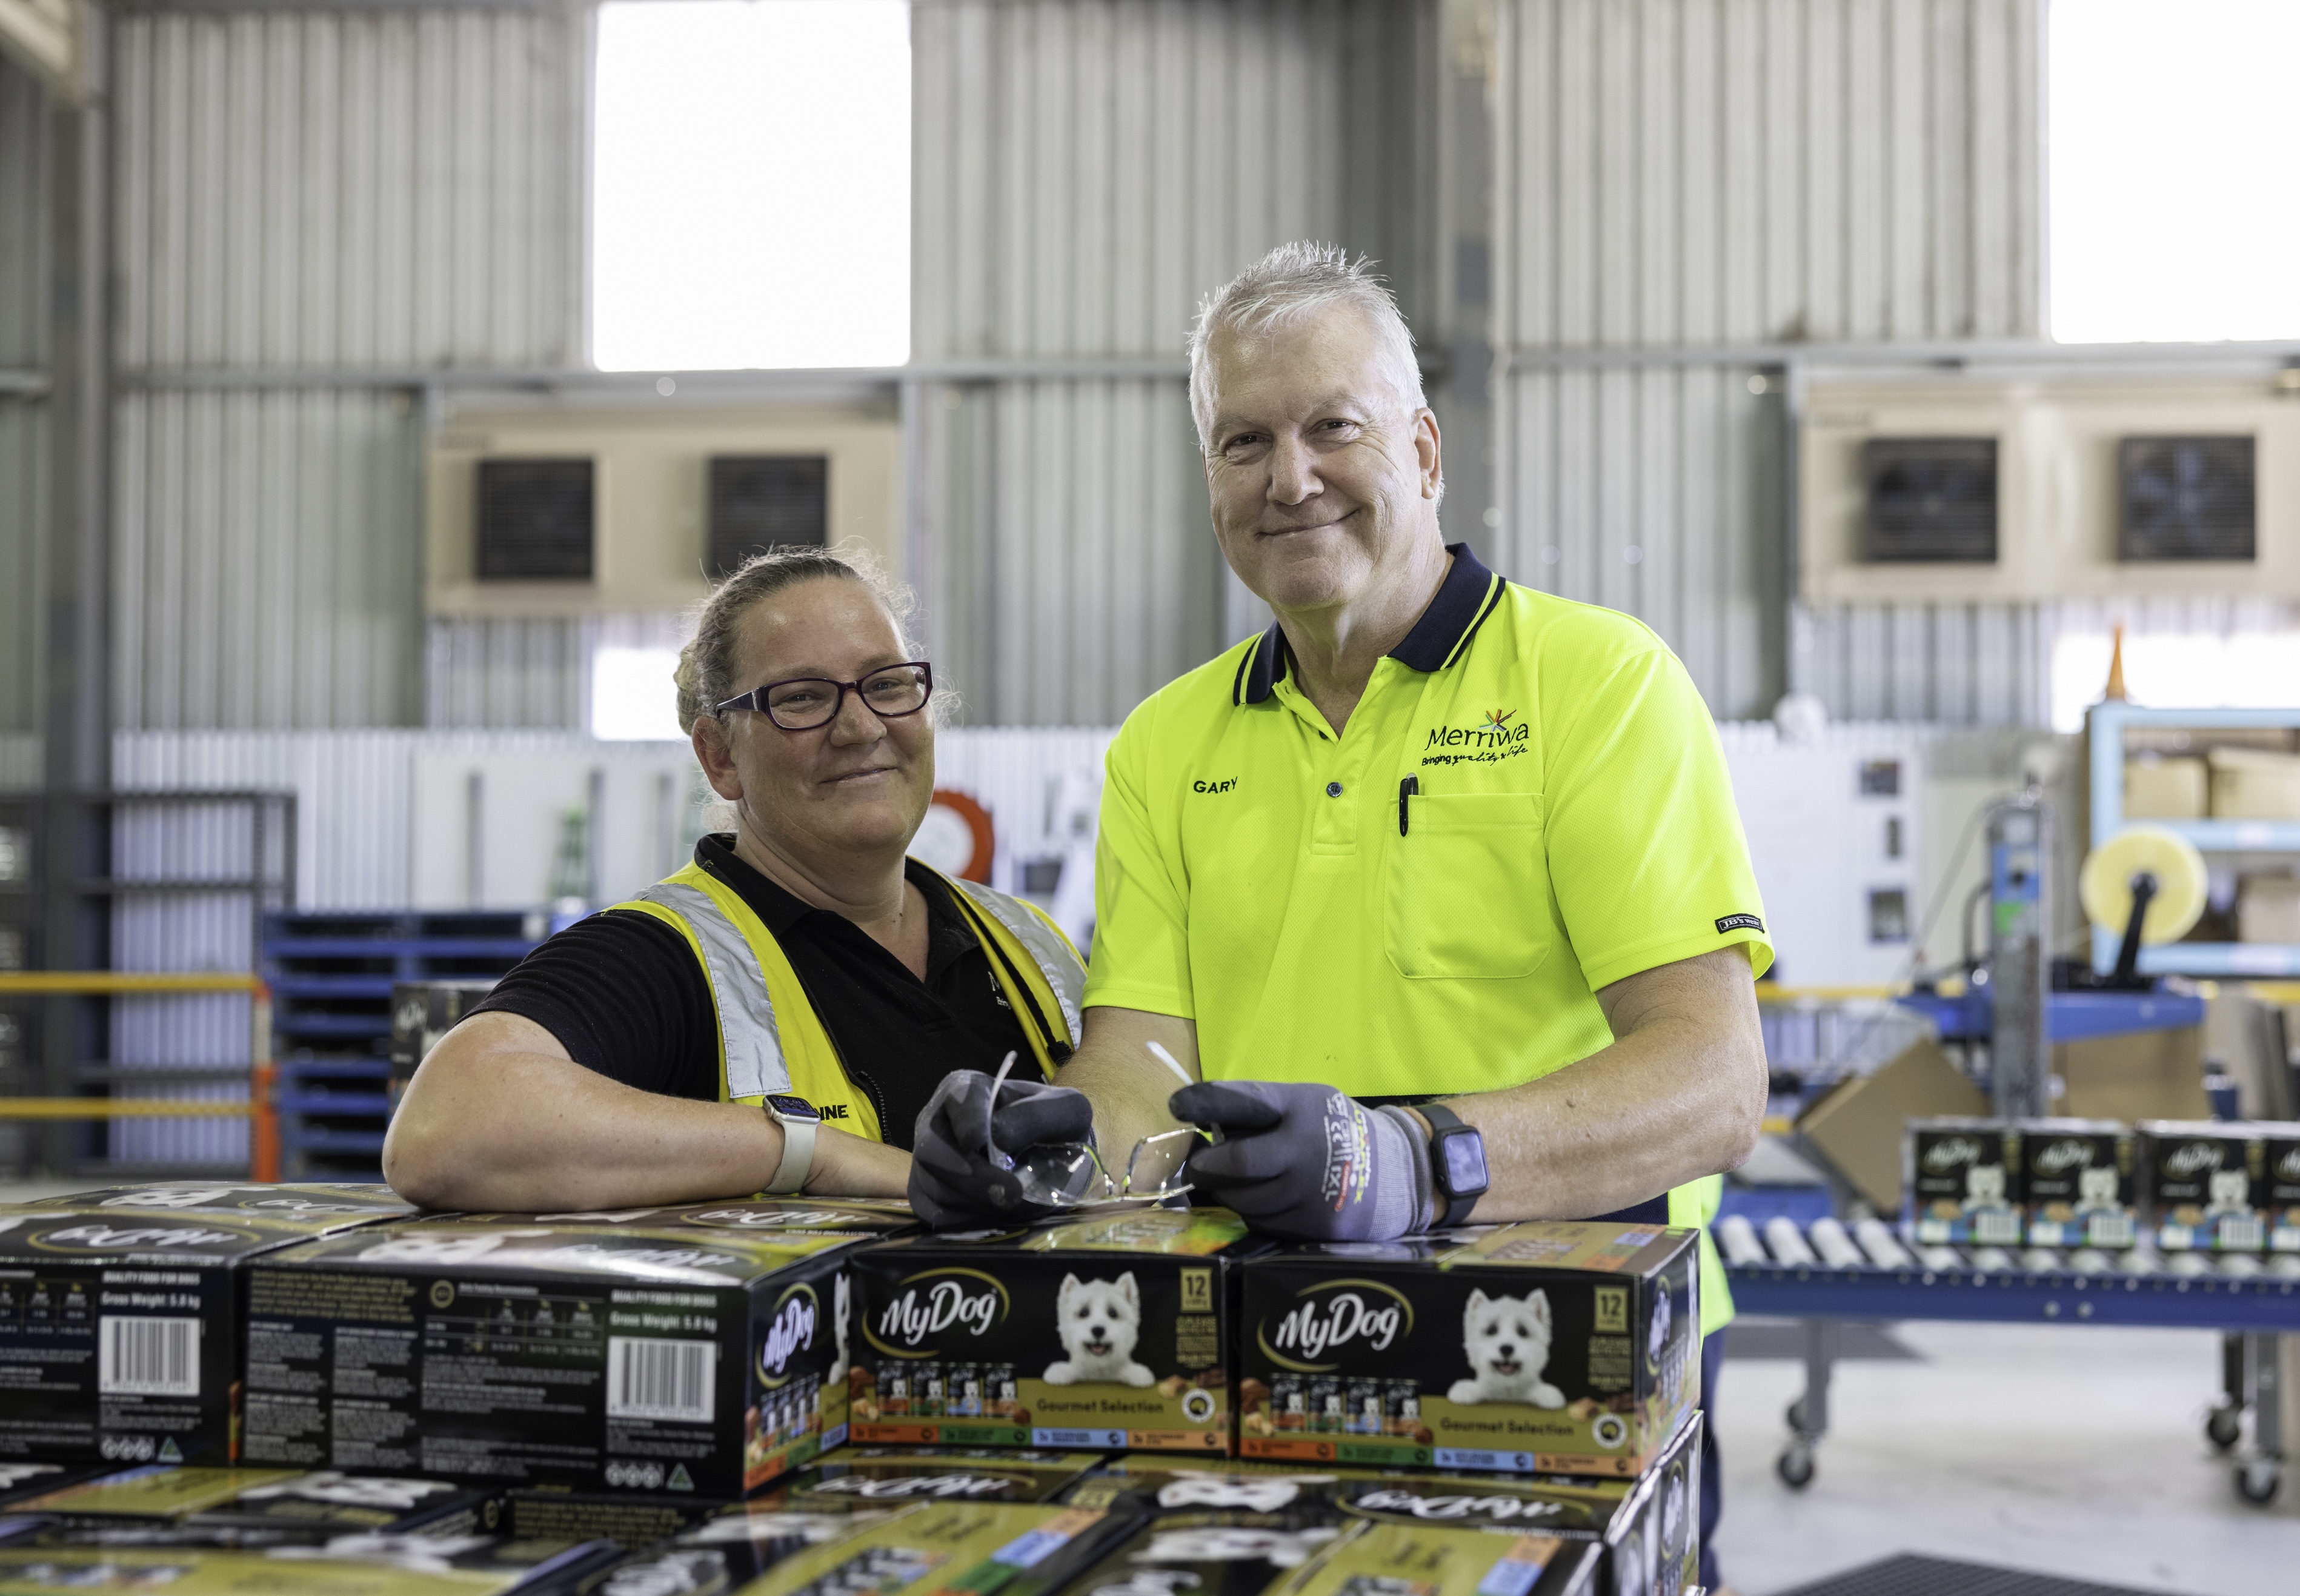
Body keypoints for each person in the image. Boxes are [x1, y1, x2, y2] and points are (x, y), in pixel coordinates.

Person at [906, 242, 1767, 1591]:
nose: (1287, 477)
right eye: (1241, 440)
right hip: (1273, 1355)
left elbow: (1711, 1080)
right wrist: (1046, 1162)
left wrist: (1414, 1164)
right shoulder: (1163, 742)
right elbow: (1140, 1061)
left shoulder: (1596, 684)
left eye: (1330, 428)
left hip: (1561, 1351)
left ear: (1421, 451)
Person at [384, 547, 1090, 1213]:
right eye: (804, 698)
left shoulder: (1029, 943)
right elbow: (445, 1127)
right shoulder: (669, 955)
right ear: (720, 756)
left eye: (887, 684)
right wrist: (812, 1156)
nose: (860, 725)